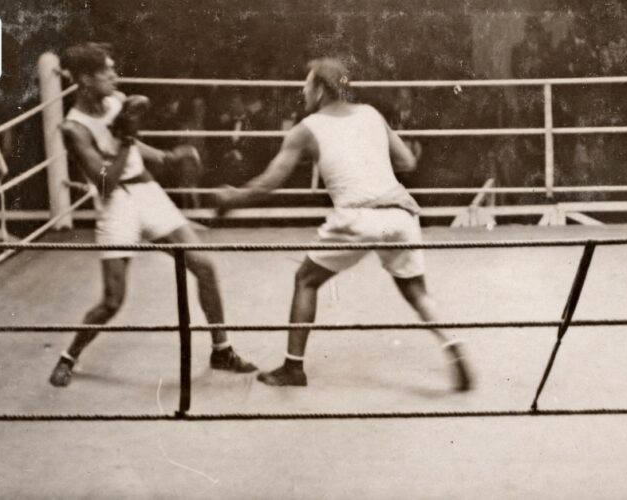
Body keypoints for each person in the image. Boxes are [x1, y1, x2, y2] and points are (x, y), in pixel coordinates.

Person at [214, 58, 472, 391]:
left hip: (357, 217)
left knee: (306, 279)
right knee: (415, 291)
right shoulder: (371, 114)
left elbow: (270, 182)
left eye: (307, 84)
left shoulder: (306, 129)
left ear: (321, 89)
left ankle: (293, 369)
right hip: (401, 214)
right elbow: (407, 161)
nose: (302, 89)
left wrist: (232, 199)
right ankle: (451, 345)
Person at [48, 42, 256, 387]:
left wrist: (167, 157)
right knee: (113, 300)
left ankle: (222, 349)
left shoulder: (116, 101)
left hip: (148, 192)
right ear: (85, 78)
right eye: (107, 71)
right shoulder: (74, 128)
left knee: (204, 267)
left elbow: (132, 148)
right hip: (115, 204)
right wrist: (127, 140)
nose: (115, 75)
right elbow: (105, 183)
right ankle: (69, 356)